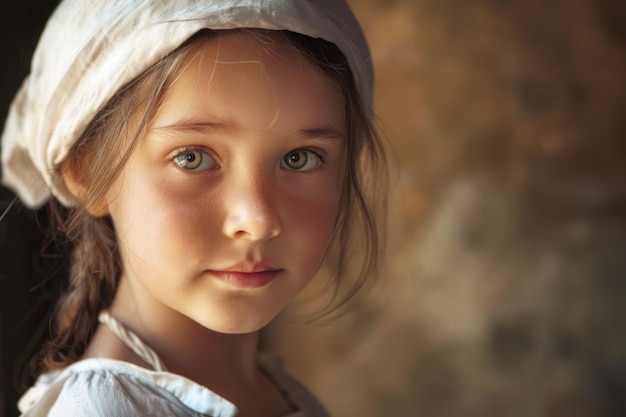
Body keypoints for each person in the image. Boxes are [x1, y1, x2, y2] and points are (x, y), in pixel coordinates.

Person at [1, 0, 387, 416]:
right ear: (89, 171)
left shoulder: (289, 398)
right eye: (192, 158)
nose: (257, 220)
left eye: (300, 158)